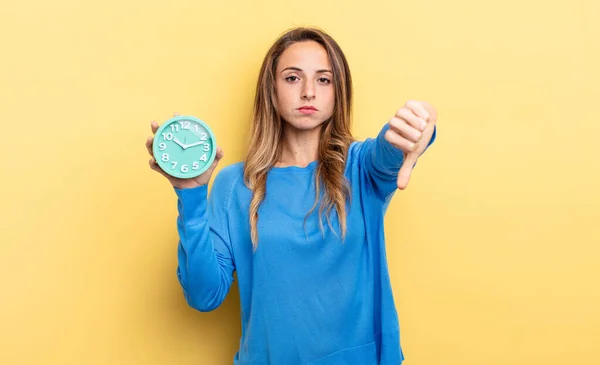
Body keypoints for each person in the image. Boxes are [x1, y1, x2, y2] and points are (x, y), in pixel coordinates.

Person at [145, 27, 437, 365]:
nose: (309, 92)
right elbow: (203, 294)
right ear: (271, 90)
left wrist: (422, 121)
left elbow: (395, 144)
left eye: (324, 80)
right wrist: (191, 196)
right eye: (293, 78)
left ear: (338, 92)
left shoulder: (361, 167)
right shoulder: (235, 185)